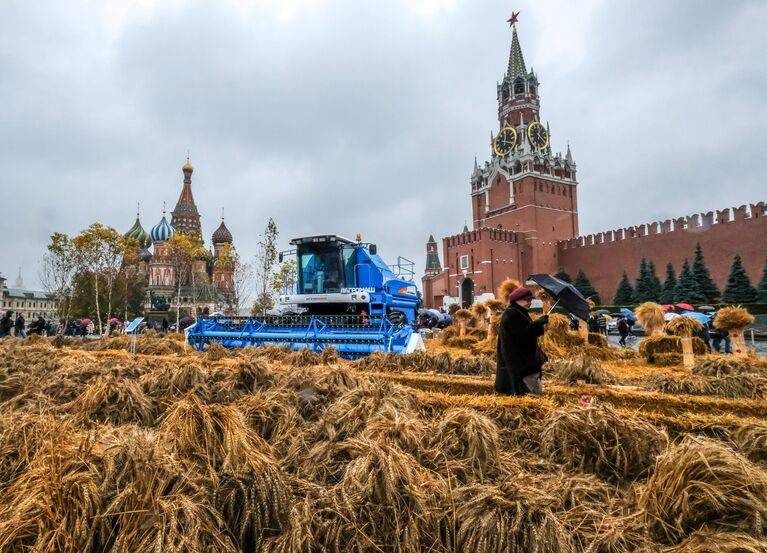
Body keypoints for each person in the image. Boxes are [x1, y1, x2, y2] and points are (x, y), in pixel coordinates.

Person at [495, 287, 549, 396]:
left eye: (530, 300)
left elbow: (525, 332)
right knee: (533, 394)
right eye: (527, 300)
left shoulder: (519, 312)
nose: (530, 303)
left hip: (524, 363)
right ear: (517, 300)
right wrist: (538, 323)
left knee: (532, 393)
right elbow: (522, 334)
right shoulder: (512, 314)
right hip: (521, 364)